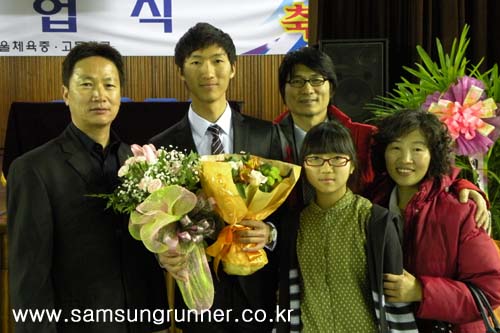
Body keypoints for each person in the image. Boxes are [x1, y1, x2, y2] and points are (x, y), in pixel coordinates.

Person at [274, 46, 489, 333]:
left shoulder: (364, 136)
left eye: (317, 80)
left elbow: (417, 167)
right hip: (302, 271)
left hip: (372, 284)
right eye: (297, 81)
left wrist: (465, 185)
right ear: (284, 89)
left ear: (332, 86)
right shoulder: (267, 139)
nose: (307, 89)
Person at [7, 42, 167, 333]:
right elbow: (29, 276)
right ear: (66, 94)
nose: (99, 95)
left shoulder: (139, 162)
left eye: (109, 85)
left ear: (120, 94)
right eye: (86, 84)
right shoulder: (34, 169)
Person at [152, 23, 281, 333]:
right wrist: (162, 253)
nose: (207, 71)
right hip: (196, 290)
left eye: (217, 60)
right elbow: (155, 221)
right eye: (196, 61)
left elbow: (286, 208)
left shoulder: (266, 135)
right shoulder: (161, 147)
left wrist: (270, 233)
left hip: (256, 291)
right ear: (181, 71)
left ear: (233, 69)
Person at [371, 109, 500, 332]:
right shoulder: (372, 202)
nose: (405, 159)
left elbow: (492, 289)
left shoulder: (460, 210)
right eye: (395, 148)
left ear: (434, 155)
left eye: (417, 149)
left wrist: (421, 290)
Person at [295, 121, 417, 333]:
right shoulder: (295, 224)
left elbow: (395, 298)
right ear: (303, 166)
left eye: (337, 159)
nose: (326, 168)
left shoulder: (375, 221)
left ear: (352, 165)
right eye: (315, 159)